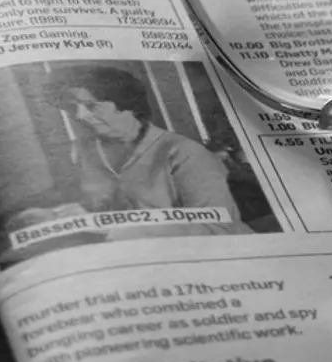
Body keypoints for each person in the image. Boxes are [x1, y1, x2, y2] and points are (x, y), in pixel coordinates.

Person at [44, 65, 250, 238]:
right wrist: (58, 215)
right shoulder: (84, 152)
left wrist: (112, 228)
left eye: (91, 106)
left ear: (126, 104)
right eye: (72, 107)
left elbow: (218, 229)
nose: (80, 115)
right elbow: (97, 205)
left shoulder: (185, 153)